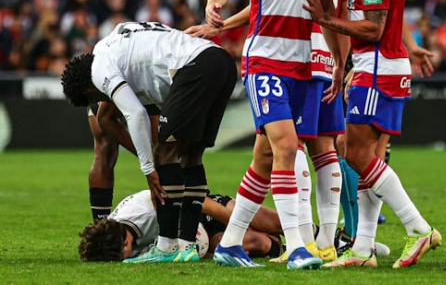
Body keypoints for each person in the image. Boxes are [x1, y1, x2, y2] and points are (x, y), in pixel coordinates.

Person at [185, 0, 342, 270]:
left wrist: (340, 61)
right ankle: (299, 247)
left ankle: (230, 243)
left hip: (306, 67)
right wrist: (215, 3)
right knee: (288, 147)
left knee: (265, 159)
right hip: (267, 63)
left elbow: (321, 11)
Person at [303, 0, 442, 269]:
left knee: (355, 152)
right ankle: (363, 248)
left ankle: (418, 228)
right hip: (385, 64)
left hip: (377, 67)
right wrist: (411, 46)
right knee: (367, 153)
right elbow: (391, 17)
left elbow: (375, 26)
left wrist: (326, 19)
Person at [61, 21, 237, 263]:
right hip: (220, 61)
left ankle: (166, 247)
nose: (102, 99)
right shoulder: (113, 45)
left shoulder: (100, 70)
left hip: (192, 67)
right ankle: (187, 247)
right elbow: (106, 117)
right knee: (191, 156)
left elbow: (135, 113)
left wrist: (149, 168)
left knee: (165, 153)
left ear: (88, 90)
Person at [78, 190, 284, 262]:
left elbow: (196, 198)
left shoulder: (145, 208)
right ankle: (282, 248)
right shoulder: (113, 238)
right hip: (191, 230)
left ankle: (309, 234)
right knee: (257, 242)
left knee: (269, 222)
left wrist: (237, 223)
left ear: (125, 241)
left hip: (201, 206)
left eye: (124, 252)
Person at [86, 101, 159, 222]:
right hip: (109, 86)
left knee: (164, 144)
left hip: (150, 88)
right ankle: (101, 224)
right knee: (105, 145)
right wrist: (148, 158)